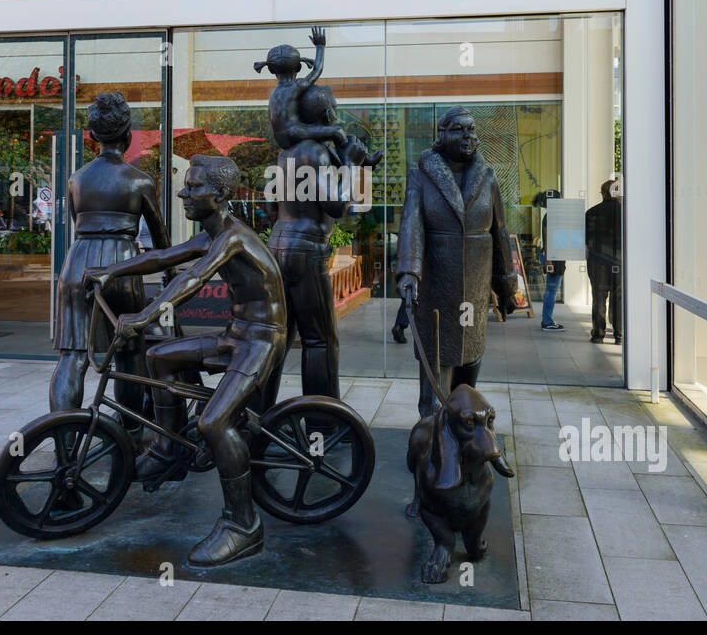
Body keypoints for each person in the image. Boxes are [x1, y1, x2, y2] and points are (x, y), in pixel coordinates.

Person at [91, 154, 286, 566]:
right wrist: (110, 271)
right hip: (238, 335)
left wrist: (146, 314)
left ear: (221, 195)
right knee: (158, 356)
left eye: (194, 187)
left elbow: (192, 277)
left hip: (261, 341)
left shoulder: (232, 236)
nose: (183, 191)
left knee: (213, 422)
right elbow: (164, 258)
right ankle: (167, 452)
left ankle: (242, 524)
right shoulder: (213, 232)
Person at [51, 93, 170, 420]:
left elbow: (78, 222)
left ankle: (63, 438)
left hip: (79, 264)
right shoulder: (140, 180)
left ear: (91, 137)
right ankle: (129, 433)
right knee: (130, 352)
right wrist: (171, 272)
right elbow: (160, 237)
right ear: (128, 136)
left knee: (72, 356)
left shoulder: (77, 178)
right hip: (123, 265)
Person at [396, 107, 519, 419]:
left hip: (475, 289)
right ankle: (431, 433)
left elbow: (500, 231)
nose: (468, 136)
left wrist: (506, 283)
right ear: (442, 135)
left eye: (472, 130)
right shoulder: (420, 177)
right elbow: (411, 226)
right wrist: (409, 272)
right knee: (437, 358)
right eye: (458, 130)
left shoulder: (488, 178)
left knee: (471, 356)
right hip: (438, 286)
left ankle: (465, 425)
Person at [260, 84, 377, 406]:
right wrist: (353, 166)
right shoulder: (315, 151)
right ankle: (323, 421)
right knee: (321, 341)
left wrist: (360, 166)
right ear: (328, 115)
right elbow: (337, 206)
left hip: (281, 245)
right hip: (306, 250)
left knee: (280, 338)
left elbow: (274, 207)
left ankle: (260, 414)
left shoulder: (288, 153)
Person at [586, 179, 623, 343]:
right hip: (620, 261)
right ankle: (619, 334)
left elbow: (586, 240)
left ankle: (598, 334)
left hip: (597, 261)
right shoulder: (625, 213)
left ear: (603, 193)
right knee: (619, 297)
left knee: (599, 297)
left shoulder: (591, 212)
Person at [536, 189, 566, 332]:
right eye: (561, 197)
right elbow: (547, 239)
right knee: (551, 290)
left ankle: (548, 320)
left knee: (552, 289)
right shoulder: (551, 216)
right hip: (553, 257)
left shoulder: (553, 215)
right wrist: (548, 260)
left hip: (555, 256)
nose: (563, 198)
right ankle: (547, 321)